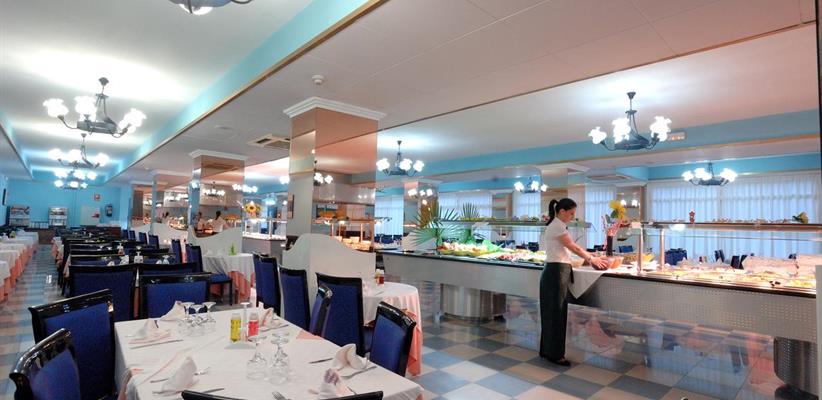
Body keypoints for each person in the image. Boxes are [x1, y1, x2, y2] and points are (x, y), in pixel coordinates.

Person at [540, 198, 607, 366]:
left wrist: (590, 256)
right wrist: (591, 259)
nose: (572, 217)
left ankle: (547, 350)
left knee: (551, 313)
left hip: (554, 271)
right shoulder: (557, 226)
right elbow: (573, 247)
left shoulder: (557, 225)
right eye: (571, 213)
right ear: (562, 211)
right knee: (556, 314)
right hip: (556, 272)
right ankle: (555, 355)